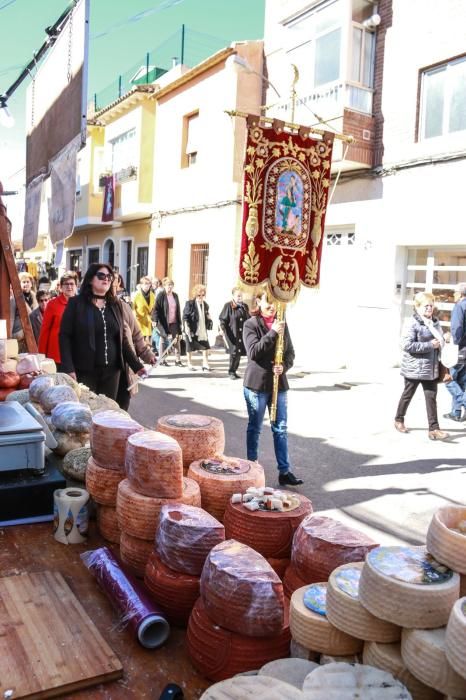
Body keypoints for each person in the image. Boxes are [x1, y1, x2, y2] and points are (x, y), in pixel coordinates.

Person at [59, 263, 146, 400]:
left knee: (107, 413)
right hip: (84, 371)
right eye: (101, 275)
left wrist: (137, 366)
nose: (106, 279)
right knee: (88, 411)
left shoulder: (116, 305)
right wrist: (68, 368)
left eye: (109, 277)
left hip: (112, 372)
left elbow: (122, 340)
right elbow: (65, 337)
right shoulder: (76, 303)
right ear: (90, 279)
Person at [242, 289, 302, 486]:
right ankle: (252, 466)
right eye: (268, 303)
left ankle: (284, 470)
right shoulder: (250, 324)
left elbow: (291, 353)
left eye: (275, 304)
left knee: (281, 428)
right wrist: (273, 332)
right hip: (257, 385)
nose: (272, 307)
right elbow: (254, 352)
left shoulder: (283, 323)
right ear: (258, 301)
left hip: (279, 383)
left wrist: (283, 366)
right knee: (255, 427)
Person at [394, 292, 449, 440]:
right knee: (407, 395)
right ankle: (399, 419)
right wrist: (430, 345)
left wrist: (444, 339)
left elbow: (439, 341)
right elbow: (406, 345)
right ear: (417, 307)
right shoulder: (412, 323)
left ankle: (434, 429)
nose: (429, 308)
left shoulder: (435, 322)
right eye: (426, 306)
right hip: (414, 367)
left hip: (431, 367)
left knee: (431, 398)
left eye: (431, 305)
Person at [111, 276, 156, 410]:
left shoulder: (124, 307)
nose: (111, 290)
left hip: (125, 366)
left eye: (114, 286)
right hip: (104, 370)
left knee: (122, 408)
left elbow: (136, 334)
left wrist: (147, 354)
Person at [38, 271, 78, 369]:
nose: (69, 287)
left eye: (72, 284)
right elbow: (45, 331)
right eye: (66, 284)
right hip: (56, 355)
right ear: (61, 287)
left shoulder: (81, 304)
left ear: (76, 285)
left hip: (76, 354)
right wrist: (41, 356)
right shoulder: (52, 304)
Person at [219, 287, 250, 379]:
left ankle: (234, 371)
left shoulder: (245, 306)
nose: (240, 298)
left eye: (241, 296)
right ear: (233, 296)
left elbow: (248, 319)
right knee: (234, 352)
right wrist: (222, 329)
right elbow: (223, 319)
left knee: (238, 353)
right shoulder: (228, 306)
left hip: (242, 334)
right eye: (238, 296)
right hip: (232, 333)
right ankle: (231, 371)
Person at [152, 277, 183, 367]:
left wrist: (179, 321)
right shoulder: (161, 295)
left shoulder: (175, 295)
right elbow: (156, 308)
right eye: (168, 285)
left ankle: (178, 360)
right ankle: (162, 360)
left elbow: (178, 309)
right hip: (164, 321)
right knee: (163, 339)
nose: (169, 287)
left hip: (174, 321)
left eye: (171, 285)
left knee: (176, 340)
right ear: (164, 286)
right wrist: (154, 319)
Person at [182, 284, 213, 371]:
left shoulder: (205, 305)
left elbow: (206, 316)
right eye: (199, 295)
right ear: (195, 295)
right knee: (190, 347)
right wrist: (186, 326)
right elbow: (185, 316)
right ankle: (189, 363)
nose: (201, 297)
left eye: (203, 295)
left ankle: (205, 364)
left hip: (202, 330)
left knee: (206, 347)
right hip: (191, 328)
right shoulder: (190, 304)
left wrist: (209, 319)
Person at [10, 272, 38, 342]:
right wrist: (9, 336)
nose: (26, 284)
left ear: (31, 284)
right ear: (19, 284)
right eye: (24, 282)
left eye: (28, 282)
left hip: (32, 331)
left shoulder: (34, 296)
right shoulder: (14, 298)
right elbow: (11, 317)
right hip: (19, 331)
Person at [132, 276, 155, 343]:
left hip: (148, 321)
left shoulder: (152, 295)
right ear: (141, 285)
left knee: (148, 343)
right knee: (139, 342)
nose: (147, 285)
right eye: (145, 283)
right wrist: (135, 318)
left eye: (148, 283)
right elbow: (132, 308)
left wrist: (153, 318)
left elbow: (154, 308)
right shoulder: (136, 295)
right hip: (139, 321)